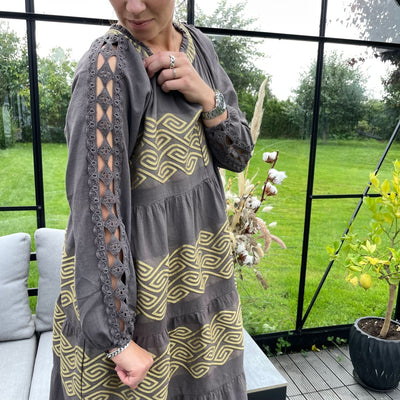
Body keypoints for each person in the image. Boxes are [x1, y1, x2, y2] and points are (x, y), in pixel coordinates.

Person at [50, 0, 254, 399]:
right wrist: (116, 337)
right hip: (141, 299)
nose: (133, 7)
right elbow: (95, 207)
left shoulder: (199, 47)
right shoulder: (108, 65)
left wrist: (207, 97)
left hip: (202, 278)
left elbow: (239, 153)